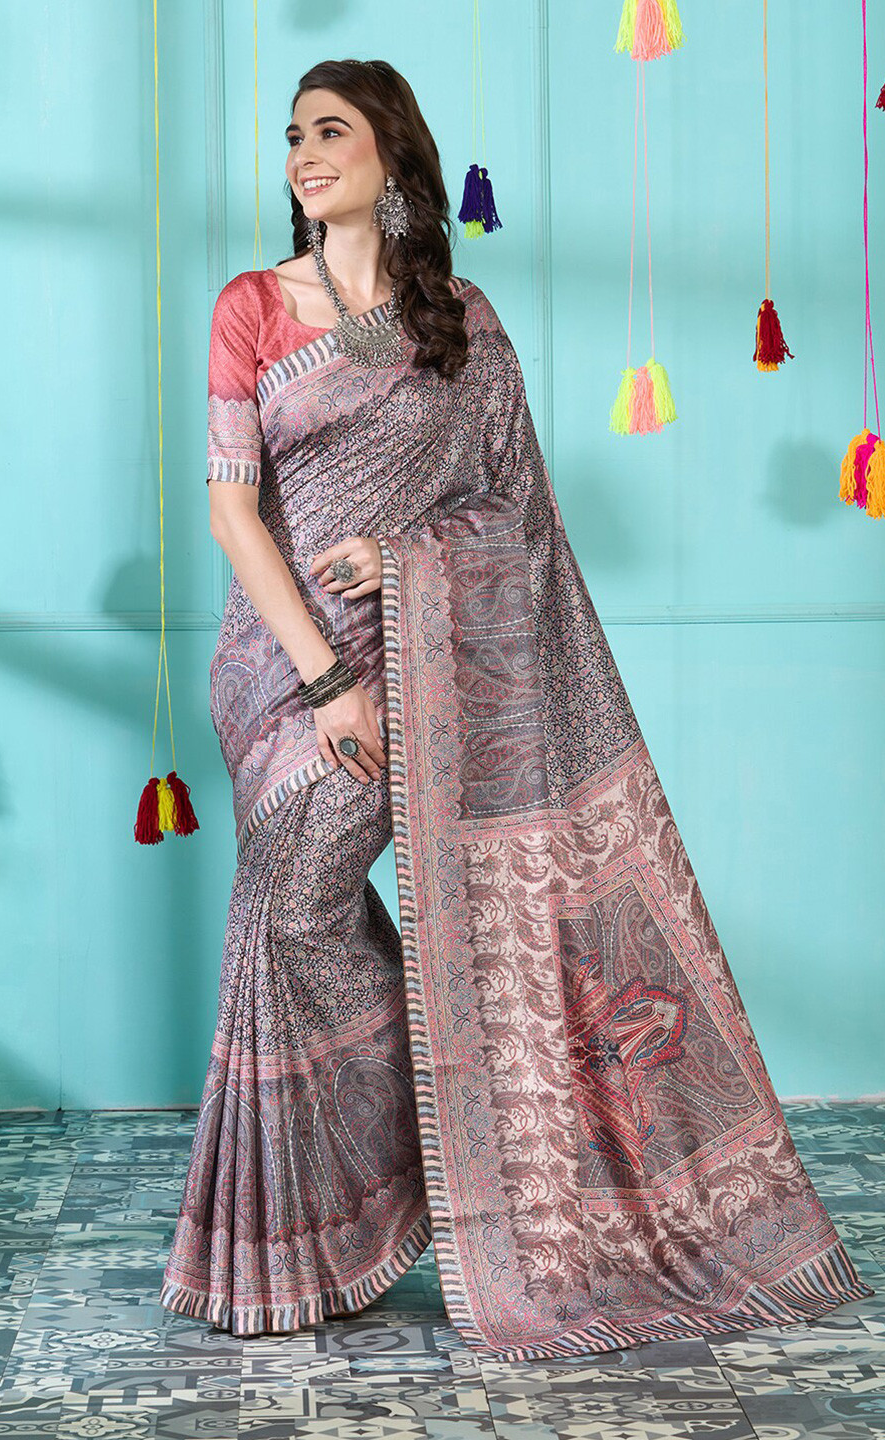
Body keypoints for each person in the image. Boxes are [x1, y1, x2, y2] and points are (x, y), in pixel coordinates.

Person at [159, 58, 874, 1361]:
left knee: (285, 922)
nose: (304, 154)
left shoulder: (461, 320)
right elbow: (230, 510)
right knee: (288, 915)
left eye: (333, 132)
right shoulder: (250, 305)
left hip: (428, 659)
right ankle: (422, 1163)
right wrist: (324, 676)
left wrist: (406, 561)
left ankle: (327, 1234)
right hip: (282, 668)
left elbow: (515, 514)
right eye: (293, 135)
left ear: (394, 158)